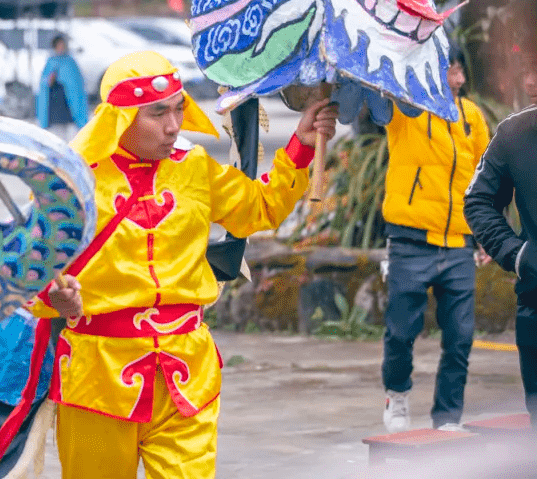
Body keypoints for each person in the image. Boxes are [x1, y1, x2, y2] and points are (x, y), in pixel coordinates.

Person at [26, 51, 337, 479]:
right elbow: (24, 268)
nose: (174, 126)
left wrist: (300, 143)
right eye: (158, 114)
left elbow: (256, 208)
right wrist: (52, 297)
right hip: (97, 378)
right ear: (120, 118)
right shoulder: (69, 181)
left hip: (187, 373)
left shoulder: (194, 167)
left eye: (178, 109)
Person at [379, 49, 490, 433]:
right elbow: (379, 101)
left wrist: (486, 235)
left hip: (459, 242)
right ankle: (397, 394)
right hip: (410, 239)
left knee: (460, 337)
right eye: (447, 68)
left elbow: (485, 179)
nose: (455, 76)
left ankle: (447, 418)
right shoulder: (406, 108)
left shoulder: (472, 117)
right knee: (400, 333)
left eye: (458, 68)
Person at [464, 52, 537, 428]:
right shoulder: (514, 135)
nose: (530, 83)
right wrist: (518, 254)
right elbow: (477, 201)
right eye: (528, 71)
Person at [37, 34, 88, 141]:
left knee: (71, 131)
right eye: (58, 45)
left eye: (62, 45)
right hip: (55, 103)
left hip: (68, 104)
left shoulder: (70, 62)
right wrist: (50, 80)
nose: (61, 47)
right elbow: (44, 83)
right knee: (57, 132)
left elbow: (77, 84)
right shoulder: (50, 62)